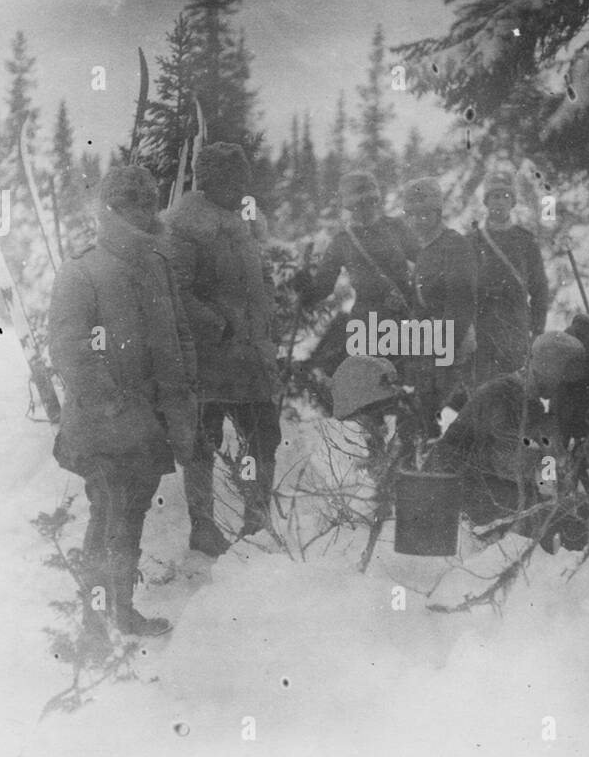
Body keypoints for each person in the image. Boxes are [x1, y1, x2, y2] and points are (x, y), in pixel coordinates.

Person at [49, 166, 196, 637]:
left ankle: (122, 610)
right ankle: (92, 621)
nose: (141, 211)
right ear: (110, 209)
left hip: (149, 423)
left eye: (147, 202)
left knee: (131, 515)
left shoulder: (158, 266)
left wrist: (181, 398)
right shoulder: (82, 272)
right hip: (103, 424)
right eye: (130, 203)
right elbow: (70, 352)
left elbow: (178, 337)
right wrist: (113, 404)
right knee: (106, 514)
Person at [160, 143, 281, 556]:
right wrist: (219, 324)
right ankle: (203, 526)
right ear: (209, 181)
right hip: (212, 358)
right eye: (232, 181)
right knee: (203, 441)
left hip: (250, 356)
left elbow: (258, 273)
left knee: (263, 434)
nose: (240, 188)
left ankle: (257, 517)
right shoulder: (184, 227)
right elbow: (176, 290)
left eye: (242, 180)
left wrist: (268, 309)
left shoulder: (240, 219)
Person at [429, 331, 586, 533]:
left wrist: (554, 453)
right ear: (548, 372)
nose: (563, 390)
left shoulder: (532, 405)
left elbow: (547, 468)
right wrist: (545, 470)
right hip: (449, 490)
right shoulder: (500, 395)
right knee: (544, 516)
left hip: (476, 484)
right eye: (562, 382)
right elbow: (509, 463)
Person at [289, 171, 418, 402]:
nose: (367, 207)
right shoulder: (342, 241)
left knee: (409, 390)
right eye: (359, 202)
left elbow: (425, 261)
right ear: (349, 205)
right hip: (367, 321)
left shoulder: (396, 227)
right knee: (368, 395)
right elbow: (322, 287)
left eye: (371, 200)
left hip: (404, 315)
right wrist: (304, 287)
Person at [403, 176, 477, 436]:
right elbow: (420, 304)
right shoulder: (426, 250)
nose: (417, 221)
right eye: (412, 215)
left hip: (453, 349)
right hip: (429, 347)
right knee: (427, 418)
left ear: (437, 213)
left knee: (463, 415)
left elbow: (461, 302)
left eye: (424, 214)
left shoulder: (454, 245)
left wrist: (444, 347)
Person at [471, 170, 549, 385]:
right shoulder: (473, 241)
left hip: (515, 328)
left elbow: (540, 288)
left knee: (515, 388)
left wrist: (537, 329)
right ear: (486, 201)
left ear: (512, 201)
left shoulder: (525, 241)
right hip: (482, 328)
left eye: (505, 196)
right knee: (482, 390)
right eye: (494, 196)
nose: (499, 202)